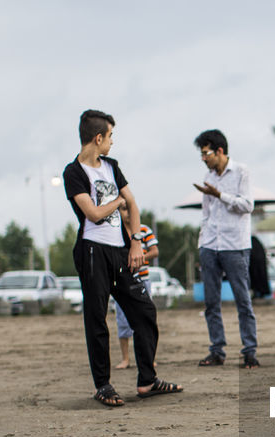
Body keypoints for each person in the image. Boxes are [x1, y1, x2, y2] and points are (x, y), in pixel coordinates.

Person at [63, 109, 181, 406]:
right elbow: (93, 213)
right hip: (92, 251)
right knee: (97, 319)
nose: (113, 142)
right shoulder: (73, 173)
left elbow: (134, 204)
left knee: (144, 311)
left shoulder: (112, 166)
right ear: (98, 137)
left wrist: (136, 242)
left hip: (120, 250)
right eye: (111, 136)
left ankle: (147, 380)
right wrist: (118, 200)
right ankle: (103, 385)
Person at [193, 129, 258, 368]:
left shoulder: (241, 171)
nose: (204, 158)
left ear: (219, 151)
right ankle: (217, 350)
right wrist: (202, 243)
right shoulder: (208, 177)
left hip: (235, 245)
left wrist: (219, 194)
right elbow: (206, 214)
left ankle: (249, 350)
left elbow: (247, 205)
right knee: (211, 302)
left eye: (206, 153)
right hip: (211, 245)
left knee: (243, 301)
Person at [113, 223, 159, 370]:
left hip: (143, 280)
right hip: (122, 281)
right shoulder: (115, 231)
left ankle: (149, 358)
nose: (125, 212)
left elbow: (155, 251)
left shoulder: (143, 230)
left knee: (146, 318)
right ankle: (125, 358)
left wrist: (138, 256)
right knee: (122, 320)